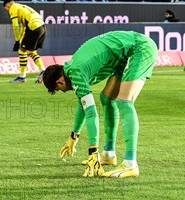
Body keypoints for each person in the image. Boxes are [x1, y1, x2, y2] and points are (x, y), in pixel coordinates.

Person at [42, 31, 158, 178]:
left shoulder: (76, 73)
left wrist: (93, 153)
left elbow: (91, 113)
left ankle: (131, 164)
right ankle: (109, 154)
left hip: (139, 48)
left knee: (124, 101)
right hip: (124, 54)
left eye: (59, 89)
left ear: (59, 82)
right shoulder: (72, 69)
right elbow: (82, 104)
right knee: (107, 98)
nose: (63, 91)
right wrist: (74, 136)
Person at [3, 0, 46, 83]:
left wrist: (17, 41)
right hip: (42, 27)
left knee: (22, 51)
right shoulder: (22, 7)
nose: (8, 11)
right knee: (32, 51)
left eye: (6, 9)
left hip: (33, 27)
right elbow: (23, 27)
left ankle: (22, 77)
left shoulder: (13, 7)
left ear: (7, 6)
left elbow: (15, 25)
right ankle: (43, 71)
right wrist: (20, 40)